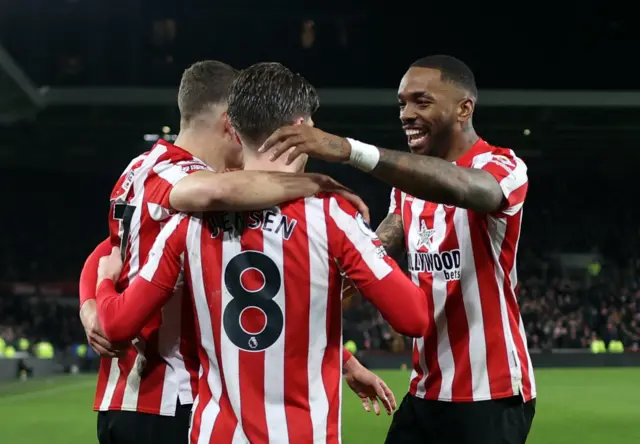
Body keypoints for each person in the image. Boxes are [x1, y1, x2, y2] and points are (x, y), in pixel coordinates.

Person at [93, 62, 431, 444]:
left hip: (212, 432)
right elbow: (415, 318)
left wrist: (101, 285)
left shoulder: (187, 224)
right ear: (304, 128)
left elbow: (118, 322)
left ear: (234, 129)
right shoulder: (332, 216)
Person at [259, 55, 536, 444]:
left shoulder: (502, 166)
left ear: (464, 108)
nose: (406, 114)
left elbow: (473, 190)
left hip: (488, 394)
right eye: (402, 103)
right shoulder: (407, 188)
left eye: (421, 102)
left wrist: (348, 150)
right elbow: (371, 252)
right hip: (426, 390)